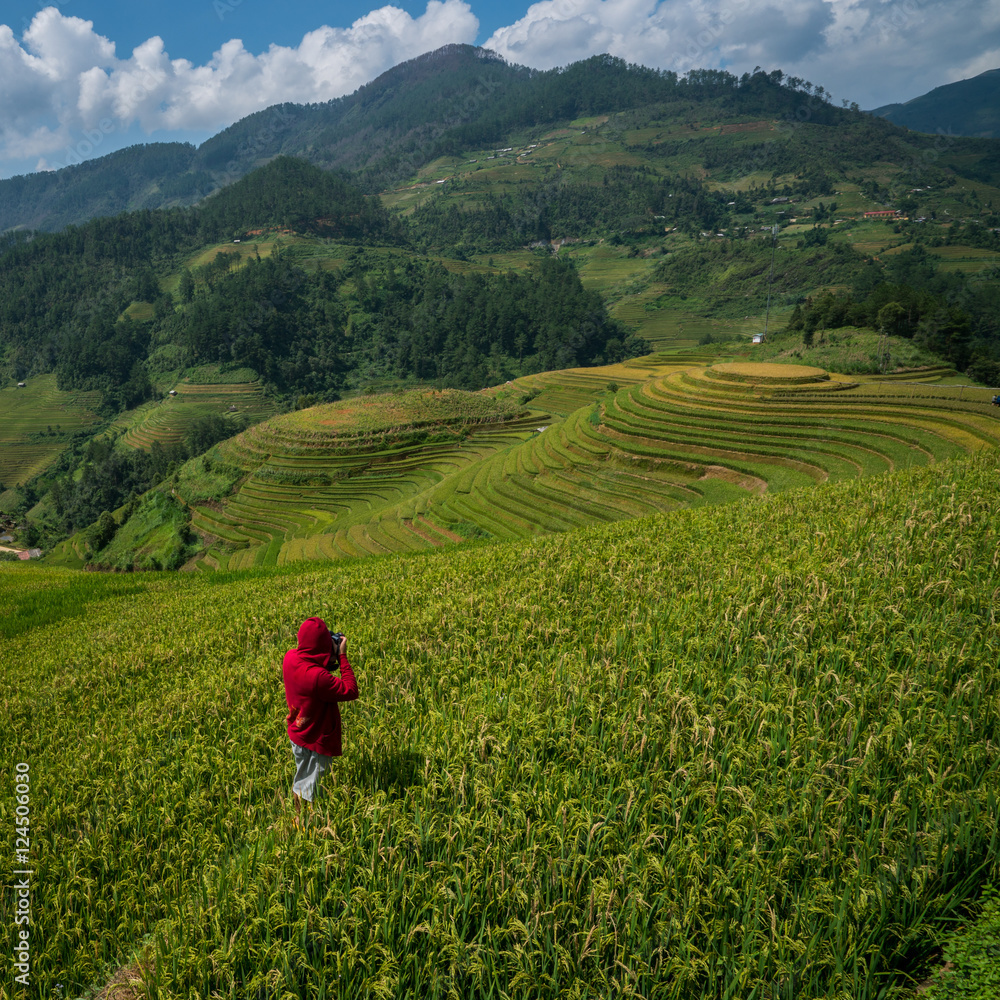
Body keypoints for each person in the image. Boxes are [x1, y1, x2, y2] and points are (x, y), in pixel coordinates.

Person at [282, 617, 359, 825]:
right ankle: (304, 824)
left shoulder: (289, 658)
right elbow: (351, 690)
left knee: (302, 779)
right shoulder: (317, 677)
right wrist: (341, 656)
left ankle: (302, 817)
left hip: (298, 733)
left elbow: (309, 657)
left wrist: (326, 654)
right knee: (311, 788)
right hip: (316, 740)